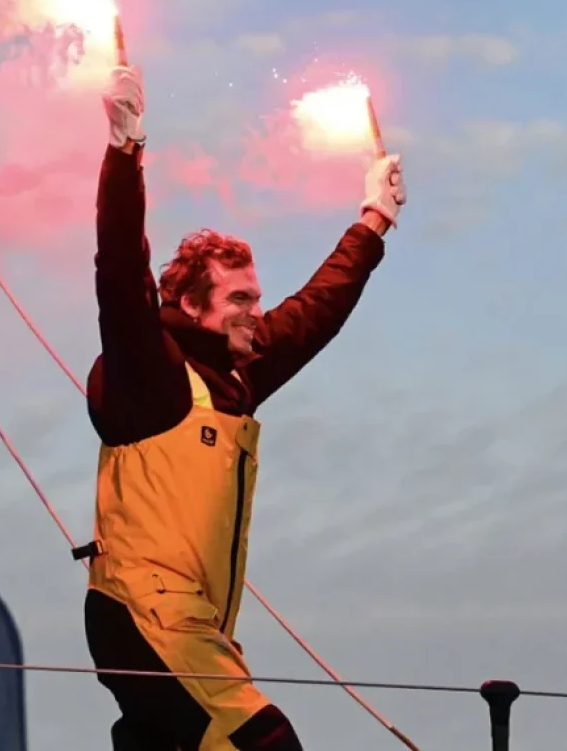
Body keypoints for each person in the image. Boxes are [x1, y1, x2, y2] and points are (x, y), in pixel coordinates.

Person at [75, 65, 406, 751]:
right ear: (191, 305)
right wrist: (125, 149)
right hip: (143, 619)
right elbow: (118, 270)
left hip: (194, 625)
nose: (255, 313)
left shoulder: (237, 377)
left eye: (256, 299)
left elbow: (316, 313)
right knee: (262, 742)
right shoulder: (154, 374)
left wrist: (373, 221)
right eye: (239, 302)